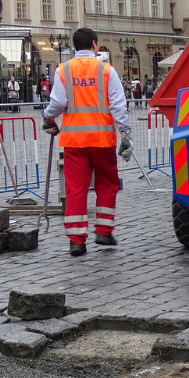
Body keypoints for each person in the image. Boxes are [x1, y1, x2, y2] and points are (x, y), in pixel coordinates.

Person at [43, 27, 134, 257]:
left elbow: (57, 102)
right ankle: (103, 231)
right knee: (107, 185)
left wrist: (48, 117)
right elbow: (117, 105)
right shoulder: (106, 70)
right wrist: (125, 133)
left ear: (76, 46)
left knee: (76, 189)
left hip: (74, 141)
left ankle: (76, 241)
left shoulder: (63, 70)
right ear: (95, 45)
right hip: (102, 140)